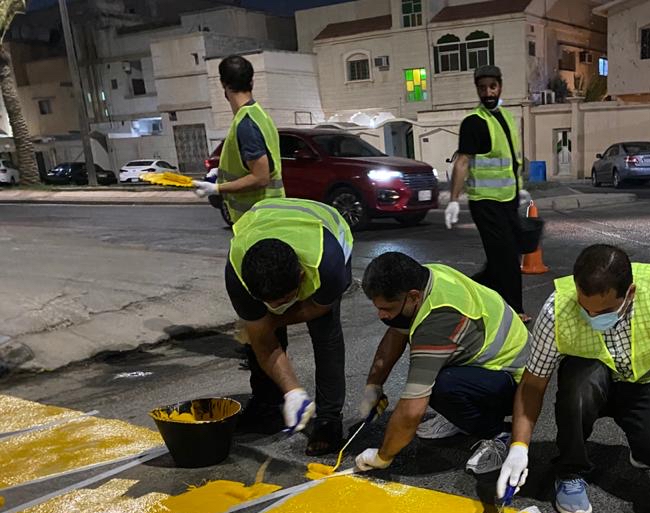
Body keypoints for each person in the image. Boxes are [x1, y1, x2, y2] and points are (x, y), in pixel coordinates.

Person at [496, 244, 650, 513]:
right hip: (589, 383)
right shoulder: (556, 310)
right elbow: (533, 384)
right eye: (585, 309)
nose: (592, 317)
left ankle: (643, 447)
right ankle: (570, 472)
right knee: (580, 386)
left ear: (630, 293)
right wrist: (519, 447)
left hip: (645, 382)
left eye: (604, 311)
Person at [352, 252, 529, 476]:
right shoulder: (425, 278)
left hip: (518, 385)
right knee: (434, 373)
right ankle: (459, 417)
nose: (381, 315)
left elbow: (412, 410)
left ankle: (499, 434)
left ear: (413, 296)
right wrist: (374, 385)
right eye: (378, 308)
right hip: (485, 366)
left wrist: (383, 456)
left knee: (438, 386)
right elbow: (396, 333)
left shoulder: (440, 318)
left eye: (387, 308)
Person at [226, 198, 353, 455]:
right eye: (269, 303)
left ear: (301, 277)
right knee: (257, 338)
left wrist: (269, 322)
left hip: (326, 227)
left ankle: (329, 419)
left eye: (284, 300)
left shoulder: (327, 264)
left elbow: (320, 307)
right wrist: (293, 391)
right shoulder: (237, 275)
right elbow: (263, 343)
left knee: (325, 335)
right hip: (263, 222)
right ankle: (267, 405)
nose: (277, 307)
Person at [444, 64, 530, 321]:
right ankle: (515, 310)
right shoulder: (473, 122)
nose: (488, 92)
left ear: (500, 86)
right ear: (477, 90)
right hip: (485, 202)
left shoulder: (505, 118)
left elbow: (511, 159)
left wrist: (519, 189)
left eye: (492, 87)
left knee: (503, 257)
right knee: (506, 257)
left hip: (508, 199)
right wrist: (453, 200)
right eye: (482, 88)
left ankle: (465, 296)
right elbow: (462, 162)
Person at [192, 54, 284, 222]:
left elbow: (261, 177)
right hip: (266, 216)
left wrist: (216, 188)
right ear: (252, 82)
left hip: (258, 220)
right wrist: (220, 173)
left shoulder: (246, 124)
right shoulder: (258, 114)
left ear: (223, 84)